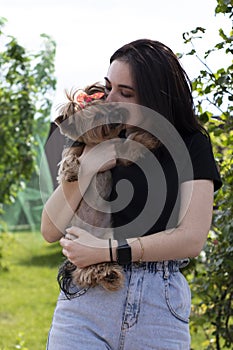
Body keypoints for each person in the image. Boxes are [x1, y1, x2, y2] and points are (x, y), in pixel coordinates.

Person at [41, 39, 222, 350]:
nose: (110, 100)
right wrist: (88, 165)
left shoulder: (191, 144)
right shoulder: (98, 135)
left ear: (155, 98)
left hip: (158, 307)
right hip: (86, 304)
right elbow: (49, 229)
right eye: (109, 87)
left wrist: (107, 251)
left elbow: (191, 239)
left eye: (125, 93)